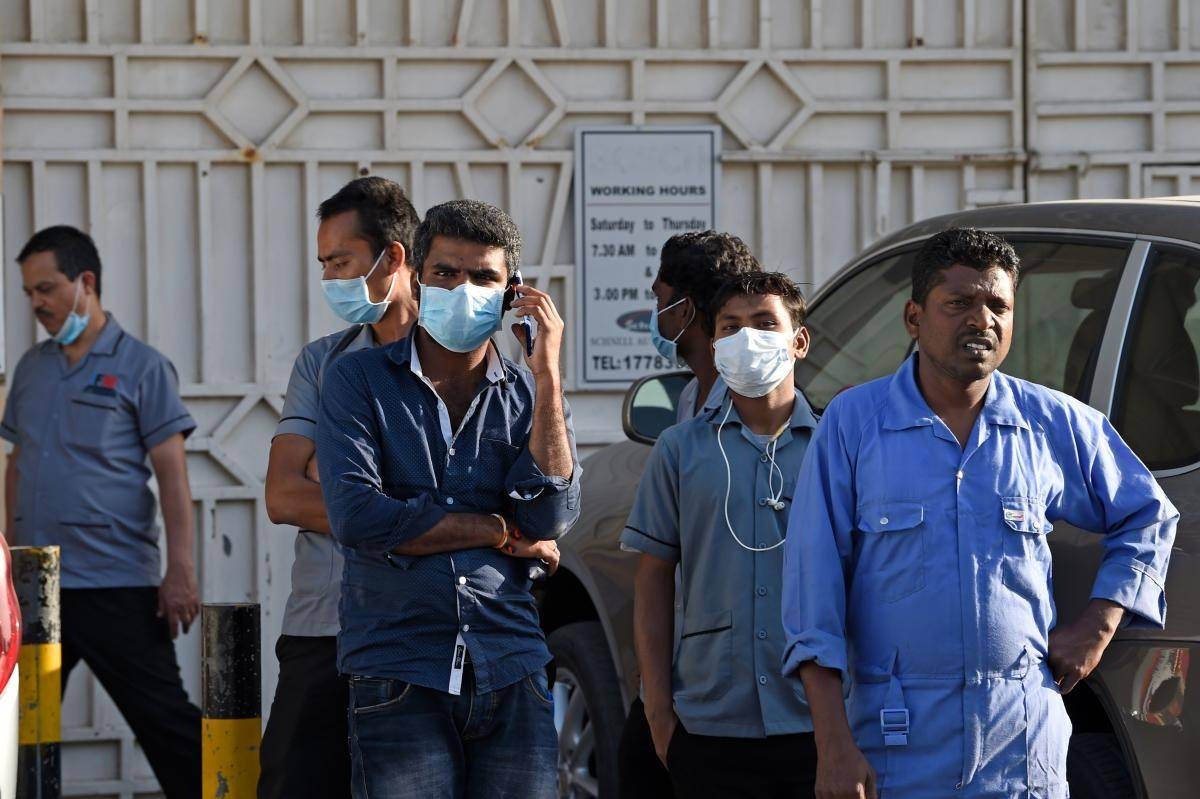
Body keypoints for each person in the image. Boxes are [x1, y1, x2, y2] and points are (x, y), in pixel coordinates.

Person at [783, 227, 1179, 798]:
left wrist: (1099, 623)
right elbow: (811, 597)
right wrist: (833, 747)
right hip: (897, 749)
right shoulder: (854, 425)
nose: (982, 320)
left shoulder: (1052, 424)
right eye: (960, 303)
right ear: (914, 318)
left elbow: (1149, 515)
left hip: (1020, 747)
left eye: (998, 305)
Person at [316, 199, 581, 799]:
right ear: (416, 277)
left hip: (512, 664)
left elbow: (551, 515)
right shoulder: (358, 382)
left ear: (511, 292)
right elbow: (359, 517)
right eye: (446, 273)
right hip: (400, 668)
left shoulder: (527, 395)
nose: (463, 289)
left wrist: (547, 376)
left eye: (483, 277)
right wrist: (496, 531)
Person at [2, 225, 201, 799]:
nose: (37, 303)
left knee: (166, 723)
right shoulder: (32, 369)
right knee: (15, 732)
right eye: (29, 294)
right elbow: (16, 464)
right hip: (34, 585)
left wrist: (180, 569)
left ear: (85, 282)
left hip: (116, 583)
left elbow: (172, 474)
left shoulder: (142, 366)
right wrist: (10, 558)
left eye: (46, 289)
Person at [621, 271, 820, 798]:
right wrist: (659, 713)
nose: (747, 339)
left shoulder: (835, 448)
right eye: (730, 327)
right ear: (714, 344)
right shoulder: (680, 448)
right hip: (709, 721)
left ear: (798, 341)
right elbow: (653, 580)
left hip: (815, 720)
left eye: (764, 323)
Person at [259, 176, 421, 799]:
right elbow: (282, 496)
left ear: (394, 257)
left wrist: (339, 488)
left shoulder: (461, 365)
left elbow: (480, 501)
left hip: (418, 632)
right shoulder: (321, 363)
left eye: (342, 261)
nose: (330, 277)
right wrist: (421, 516)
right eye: (324, 263)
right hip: (320, 627)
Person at [619, 230, 762, 798]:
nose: (656, 314)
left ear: (687, 308)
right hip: (682, 669)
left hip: (731, 686)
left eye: (661, 300)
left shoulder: (752, 408)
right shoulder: (688, 401)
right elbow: (659, 563)